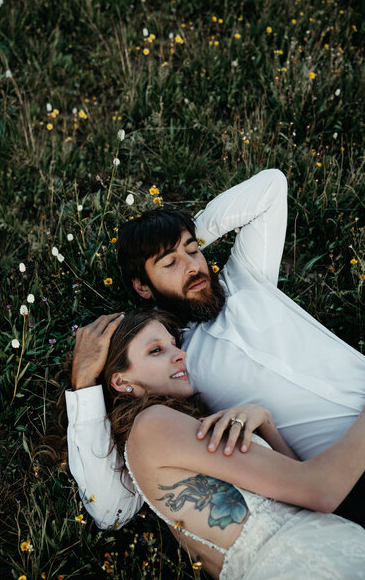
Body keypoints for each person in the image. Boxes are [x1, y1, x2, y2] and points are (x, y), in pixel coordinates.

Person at [67, 168, 365, 529]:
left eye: (194, 252)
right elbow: (110, 506)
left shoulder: (247, 277)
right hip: (348, 470)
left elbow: (271, 186)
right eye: (170, 264)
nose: (193, 266)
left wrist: (186, 234)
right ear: (143, 287)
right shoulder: (179, 365)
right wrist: (83, 385)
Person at [78, 307, 365, 580]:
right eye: (156, 350)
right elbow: (321, 489)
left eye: (174, 344)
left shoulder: (175, 430)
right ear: (121, 380)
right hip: (313, 562)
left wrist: (266, 423)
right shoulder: (152, 425)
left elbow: (303, 498)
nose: (180, 354)